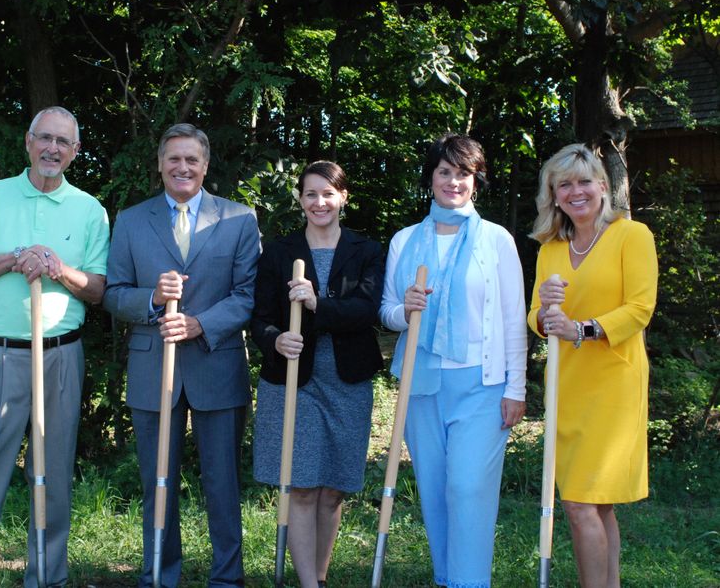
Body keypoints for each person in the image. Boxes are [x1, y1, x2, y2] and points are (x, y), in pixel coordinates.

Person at [0, 106, 109, 588]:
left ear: (75, 152)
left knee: (50, 476)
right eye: (45, 138)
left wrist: (56, 266)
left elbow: (97, 289)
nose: (53, 148)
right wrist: (13, 259)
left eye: (63, 142)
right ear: (28, 142)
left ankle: (46, 578)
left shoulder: (90, 209)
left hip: (61, 355)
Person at [102, 123, 261, 587]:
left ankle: (227, 578)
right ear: (160, 164)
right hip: (154, 365)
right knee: (158, 481)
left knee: (222, 482)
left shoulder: (238, 218)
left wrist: (200, 323)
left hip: (218, 362)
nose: (183, 167)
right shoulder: (132, 220)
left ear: (206, 165)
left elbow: (248, 295)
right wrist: (152, 299)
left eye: (192, 159)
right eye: (174, 158)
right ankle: (159, 574)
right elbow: (113, 293)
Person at [379, 134, 527, 588]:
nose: (453, 181)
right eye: (444, 171)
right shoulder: (405, 241)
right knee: (437, 493)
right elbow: (386, 312)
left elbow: (513, 317)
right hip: (420, 387)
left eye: (463, 173)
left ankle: (470, 582)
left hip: (481, 388)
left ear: (475, 181)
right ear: (431, 179)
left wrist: (515, 388)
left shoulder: (495, 240)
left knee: (468, 490)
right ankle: (448, 578)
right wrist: (406, 309)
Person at [528, 144, 657, 588]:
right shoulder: (550, 249)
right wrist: (547, 316)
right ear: (554, 194)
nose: (575, 191)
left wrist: (582, 329)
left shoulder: (632, 235)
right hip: (568, 385)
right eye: (565, 184)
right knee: (596, 504)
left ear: (603, 186)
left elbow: (640, 309)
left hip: (613, 382)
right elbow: (536, 318)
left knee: (580, 504)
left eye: (584, 181)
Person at [250, 161, 384, 588]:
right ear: (300, 200)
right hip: (294, 381)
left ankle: (319, 576)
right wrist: (275, 339)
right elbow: (260, 318)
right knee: (303, 486)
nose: (319, 202)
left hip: (348, 382)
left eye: (327, 193)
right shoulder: (278, 251)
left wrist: (315, 305)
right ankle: (309, 584)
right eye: (310, 194)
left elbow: (366, 310)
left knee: (333, 489)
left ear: (343, 196)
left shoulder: (367, 251)